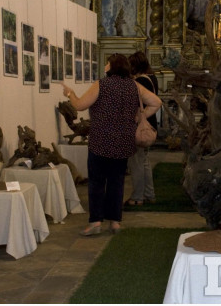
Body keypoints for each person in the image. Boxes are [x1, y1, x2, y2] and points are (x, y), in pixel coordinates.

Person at [61, 53, 161, 236]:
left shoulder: (102, 84)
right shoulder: (134, 85)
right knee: (117, 182)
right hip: (123, 141)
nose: (105, 65)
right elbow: (156, 102)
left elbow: (80, 105)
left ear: (112, 66)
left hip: (101, 141)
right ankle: (115, 222)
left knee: (97, 182)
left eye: (107, 62)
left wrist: (70, 93)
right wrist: (139, 117)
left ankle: (96, 222)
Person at [125, 51, 159, 206]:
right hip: (150, 125)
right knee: (144, 162)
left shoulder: (139, 82)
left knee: (137, 162)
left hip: (140, 126)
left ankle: (138, 197)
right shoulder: (152, 78)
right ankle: (149, 194)